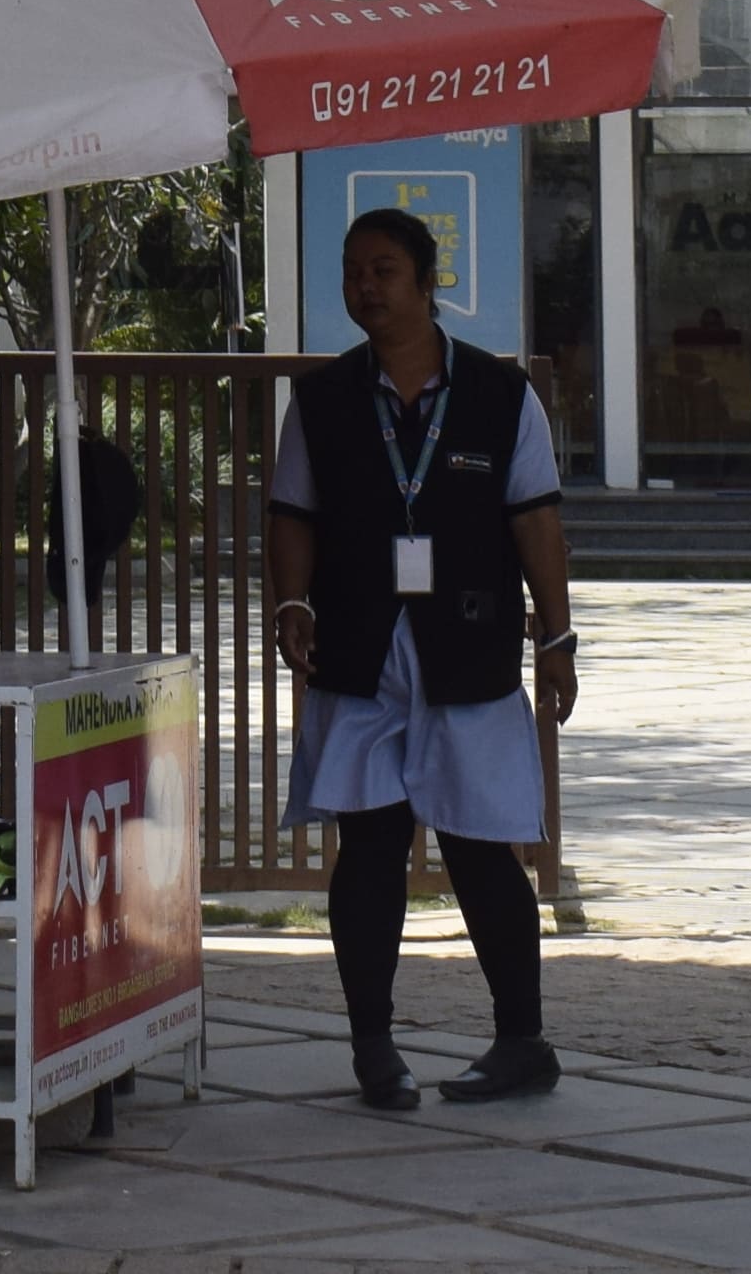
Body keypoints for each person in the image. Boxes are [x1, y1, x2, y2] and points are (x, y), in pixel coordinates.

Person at [264, 204, 581, 1107]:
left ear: (427, 280)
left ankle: (522, 1041)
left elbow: (537, 520)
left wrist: (557, 637)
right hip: (359, 645)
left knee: (481, 846)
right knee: (368, 844)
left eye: (384, 271)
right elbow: (292, 515)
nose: (365, 287)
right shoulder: (321, 401)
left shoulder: (501, 394)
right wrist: (291, 602)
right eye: (352, 272)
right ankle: (374, 1048)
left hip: (469, 645)